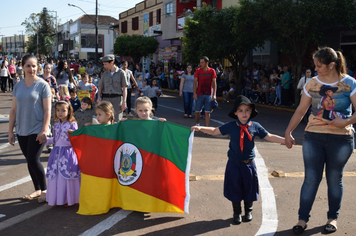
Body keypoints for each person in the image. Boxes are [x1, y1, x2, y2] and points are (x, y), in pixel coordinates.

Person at [284, 47, 356, 234]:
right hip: (313, 137)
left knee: (334, 179)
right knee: (311, 179)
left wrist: (346, 121)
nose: (315, 69)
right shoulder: (312, 84)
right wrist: (288, 131)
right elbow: (301, 110)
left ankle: (332, 218)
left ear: (331, 65)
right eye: (315, 65)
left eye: (319, 65)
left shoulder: (349, 83)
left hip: (341, 139)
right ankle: (302, 220)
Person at [191, 95, 284, 224]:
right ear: (235, 113)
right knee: (235, 187)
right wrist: (200, 128)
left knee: (249, 187)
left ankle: (249, 210)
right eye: (240, 110)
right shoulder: (231, 126)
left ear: (251, 111)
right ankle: (237, 212)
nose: (244, 113)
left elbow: (269, 136)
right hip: (234, 164)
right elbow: (215, 130)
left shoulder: (255, 126)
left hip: (249, 164)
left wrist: (285, 141)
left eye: (247, 110)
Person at [8, 55, 51, 201]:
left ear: (38, 66)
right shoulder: (18, 85)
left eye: (34, 66)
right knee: (29, 160)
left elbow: (47, 110)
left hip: (38, 129)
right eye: (28, 66)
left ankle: (45, 191)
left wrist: (44, 130)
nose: (31, 69)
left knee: (33, 159)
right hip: (22, 129)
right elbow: (13, 110)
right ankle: (37, 189)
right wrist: (10, 131)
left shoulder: (43, 85)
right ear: (23, 67)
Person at [44, 100, 80, 206]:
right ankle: (59, 199)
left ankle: (69, 199)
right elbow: (55, 139)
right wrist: (45, 140)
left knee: (67, 176)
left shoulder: (72, 124)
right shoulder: (56, 124)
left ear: (69, 111)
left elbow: (76, 140)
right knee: (57, 176)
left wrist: (73, 134)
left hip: (68, 154)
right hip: (56, 154)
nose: (60, 113)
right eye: (58, 110)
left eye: (63, 110)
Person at [97, 54, 128, 122]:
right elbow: (100, 86)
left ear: (111, 63)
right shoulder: (105, 73)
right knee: (105, 119)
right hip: (106, 99)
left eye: (105, 64)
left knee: (116, 120)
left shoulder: (121, 73)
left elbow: (125, 88)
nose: (104, 66)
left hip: (117, 99)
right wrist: (99, 97)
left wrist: (124, 102)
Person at [193, 56, 217, 127]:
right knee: (197, 111)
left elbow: (214, 83)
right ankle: (197, 124)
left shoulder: (212, 71)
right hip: (199, 93)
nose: (200, 64)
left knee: (207, 112)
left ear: (207, 63)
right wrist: (194, 93)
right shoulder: (198, 70)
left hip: (208, 94)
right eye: (200, 62)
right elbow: (195, 82)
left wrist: (214, 94)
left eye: (202, 62)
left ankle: (207, 127)